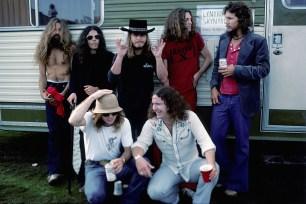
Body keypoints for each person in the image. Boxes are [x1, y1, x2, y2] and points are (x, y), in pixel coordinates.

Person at [210, 1, 270, 197]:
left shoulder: (257, 41)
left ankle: (236, 183)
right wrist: (213, 87)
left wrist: (237, 70)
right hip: (222, 98)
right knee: (216, 139)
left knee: (242, 144)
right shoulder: (223, 39)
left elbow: (263, 69)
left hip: (241, 100)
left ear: (241, 20)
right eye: (225, 18)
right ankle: (222, 176)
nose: (225, 22)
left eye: (230, 18)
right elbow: (215, 69)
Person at [131, 86, 219, 204]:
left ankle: (199, 200)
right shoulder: (151, 124)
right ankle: (175, 199)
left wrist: (211, 165)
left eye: (158, 104)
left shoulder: (189, 117)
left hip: (192, 164)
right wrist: (138, 158)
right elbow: (140, 143)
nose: (154, 108)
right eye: (153, 104)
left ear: (170, 104)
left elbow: (206, 143)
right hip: (170, 167)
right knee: (154, 192)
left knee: (214, 169)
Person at [68, 89, 149, 204]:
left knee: (144, 163)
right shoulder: (89, 118)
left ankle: (128, 200)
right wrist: (92, 97)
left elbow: (128, 150)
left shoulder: (124, 121)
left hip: (115, 165)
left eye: (114, 112)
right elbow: (72, 120)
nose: (111, 116)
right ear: (98, 113)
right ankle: (99, 185)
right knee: (96, 196)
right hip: (94, 166)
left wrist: (122, 160)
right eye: (106, 113)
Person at [67, 25, 115, 191]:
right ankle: (83, 179)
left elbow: (112, 82)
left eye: (97, 37)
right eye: (90, 37)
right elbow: (73, 78)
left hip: (102, 105)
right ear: (85, 40)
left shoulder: (109, 57)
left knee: (102, 141)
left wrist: (97, 90)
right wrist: (72, 92)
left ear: (100, 39)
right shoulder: (78, 57)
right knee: (83, 144)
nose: (94, 40)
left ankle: (106, 176)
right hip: (83, 106)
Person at [108, 19, 168, 143]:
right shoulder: (122, 54)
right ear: (130, 37)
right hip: (125, 107)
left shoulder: (151, 55)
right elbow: (111, 79)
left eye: (142, 35)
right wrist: (119, 56)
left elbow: (163, 78)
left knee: (145, 143)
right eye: (135, 35)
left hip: (146, 108)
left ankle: (145, 162)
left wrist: (158, 58)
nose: (139, 38)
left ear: (146, 37)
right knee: (126, 143)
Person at [34, 18, 75, 185]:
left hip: (66, 90)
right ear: (49, 31)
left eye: (60, 30)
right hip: (51, 90)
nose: (57, 33)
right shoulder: (43, 50)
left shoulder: (71, 49)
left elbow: (73, 75)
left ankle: (69, 169)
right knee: (54, 132)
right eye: (54, 30)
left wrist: (65, 93)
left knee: (68, 132)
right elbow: (42, 76)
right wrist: (43, 93)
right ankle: (54, 171)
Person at [161, 8, 212, 111]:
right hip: (173, 94)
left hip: (190, 92)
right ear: (177, 22)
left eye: (191, 19)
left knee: (189, 123)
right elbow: (164, 76)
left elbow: (209, 59)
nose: (190, 22)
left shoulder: (195, 37)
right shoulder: (166, 43)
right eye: (187, 20)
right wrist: (169, 96)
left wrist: (198, 75)